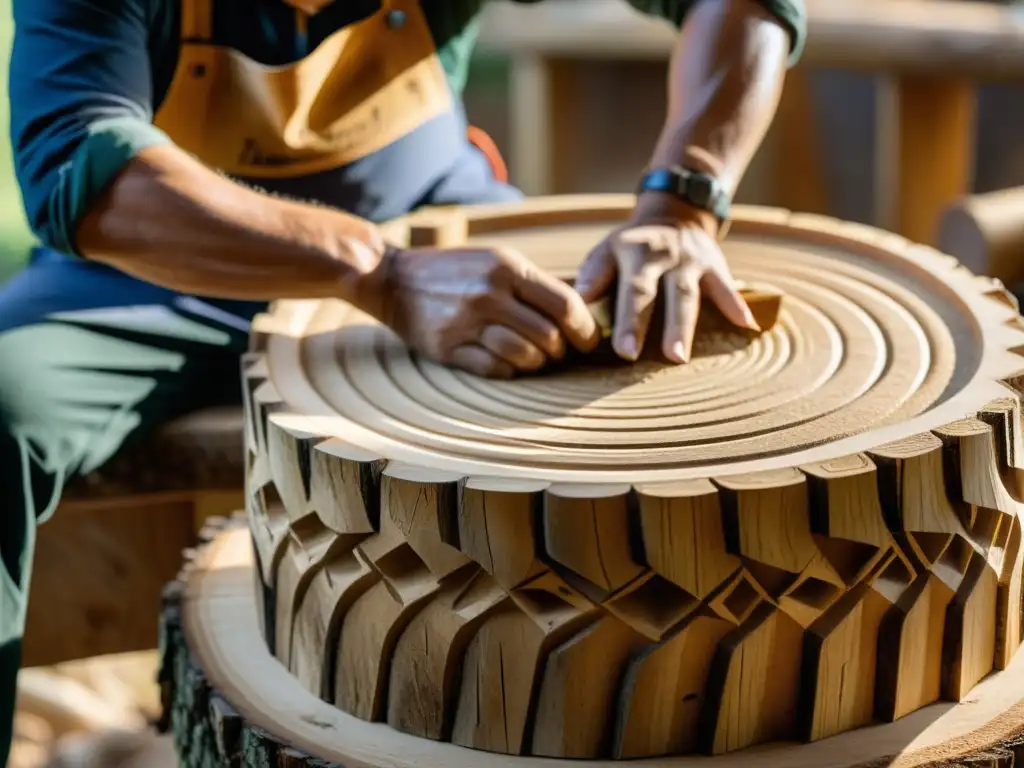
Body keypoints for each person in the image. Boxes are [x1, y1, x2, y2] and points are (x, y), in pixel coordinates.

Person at [0, 0, 805, 759]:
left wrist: (683, 199)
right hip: (147, 280)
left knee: (606, 436)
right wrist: (378, 273)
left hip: (446, 252)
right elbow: (80, 161)